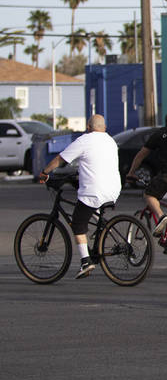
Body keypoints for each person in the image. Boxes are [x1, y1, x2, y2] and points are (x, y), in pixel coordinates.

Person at [37, 114, 122, 278]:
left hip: (95, 190)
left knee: (78, 222)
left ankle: (85, 261)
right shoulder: (110, 141)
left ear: (89, 127)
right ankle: (101, 237)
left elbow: (60, 159)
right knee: (93, 210)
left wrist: (44, 172)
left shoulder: (85, 140)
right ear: (104, 128)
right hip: (113, 190)